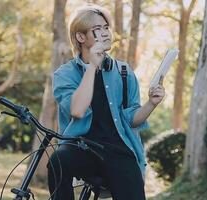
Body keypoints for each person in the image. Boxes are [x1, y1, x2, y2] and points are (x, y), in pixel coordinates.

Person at [47, 4, 165, 200]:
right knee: (58, 160)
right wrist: (93, 66)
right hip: (82, 148)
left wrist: (151, 104)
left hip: (120, 150)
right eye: (97, 29)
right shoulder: (65, 75)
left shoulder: (124, 72)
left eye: (106, 28)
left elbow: (131, 119)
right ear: (80, 37)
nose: (105, 33)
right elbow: (77, 110)